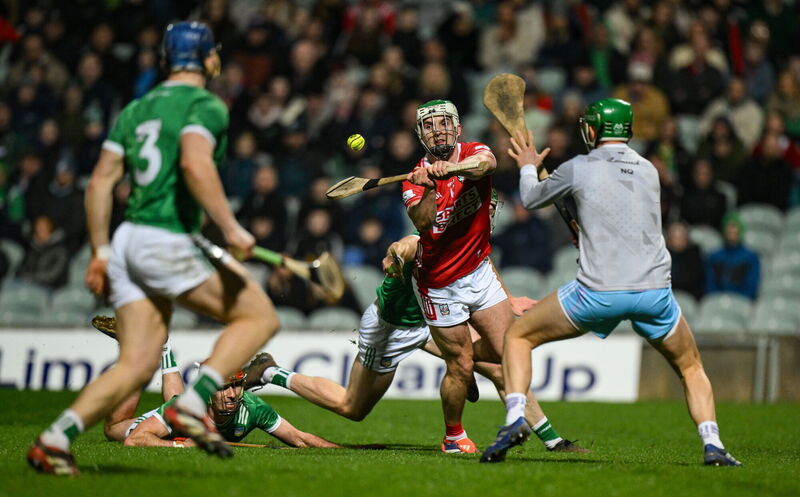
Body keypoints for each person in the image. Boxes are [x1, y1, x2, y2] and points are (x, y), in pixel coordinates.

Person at [28, 22, 280, 476]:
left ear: (165, 60)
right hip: (166, 238)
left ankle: (54, 439)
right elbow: (195, 163)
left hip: (127, 240)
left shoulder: (137, 108)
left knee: (138, 362)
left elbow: (100, 182)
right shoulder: (206, 105)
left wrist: (100, 251)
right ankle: (191, 404)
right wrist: (232, 228)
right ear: (208, 58)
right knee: (259, 317)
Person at [481, 98, 741, 467]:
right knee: (690, 366)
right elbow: (625, 218)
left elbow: (532, 197)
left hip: (598, 292)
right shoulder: (649, 170)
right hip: (654, 293)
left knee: (518, 337)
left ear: (592, 129)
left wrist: (527, 166)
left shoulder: (578, 167)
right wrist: (586, 234)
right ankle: (713, 444)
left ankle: (514, 419)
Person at [245, 230, 574, 456]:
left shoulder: (467, 241)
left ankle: (553, 441)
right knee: (352, 408)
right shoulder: (422, 241)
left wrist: (508, 299)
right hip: (392, 329)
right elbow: (402, 247)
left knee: (502, 367)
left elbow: (485, 265)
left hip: (433, 322)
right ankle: (271, 372)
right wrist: (395, 257)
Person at [401, 100, 581, 454]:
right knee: (461, 366)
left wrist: (452, 170)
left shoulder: (473, 151)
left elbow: (488, 164)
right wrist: (432, 186)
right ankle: (453, 435)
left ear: (457, 128)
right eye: (430, 126)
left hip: (479, 270)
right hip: (439, 284)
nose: (438, 131)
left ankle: (553, 441)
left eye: (444, 123)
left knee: (507, 353)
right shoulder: (414, 179)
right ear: (421, 135)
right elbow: (422, 221)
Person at [95, 323, 337, 449]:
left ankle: (164, 347)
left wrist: (345, 449)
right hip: (173, 419)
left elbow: (300, 439)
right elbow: (134, 440)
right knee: (113, 429)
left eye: (237, 386)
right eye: (223, 388)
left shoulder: (252, 407)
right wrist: (181, 445)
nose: (232, 395)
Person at [705, 213, 760, 300]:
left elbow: (751, 286)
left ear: (740, 231)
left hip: (742, 301)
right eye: (728, 229)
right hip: (716, 300)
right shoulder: (714, 256)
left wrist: (737, 301)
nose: (731, 232)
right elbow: (710, 284)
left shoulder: (751, 257)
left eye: (734, 228)